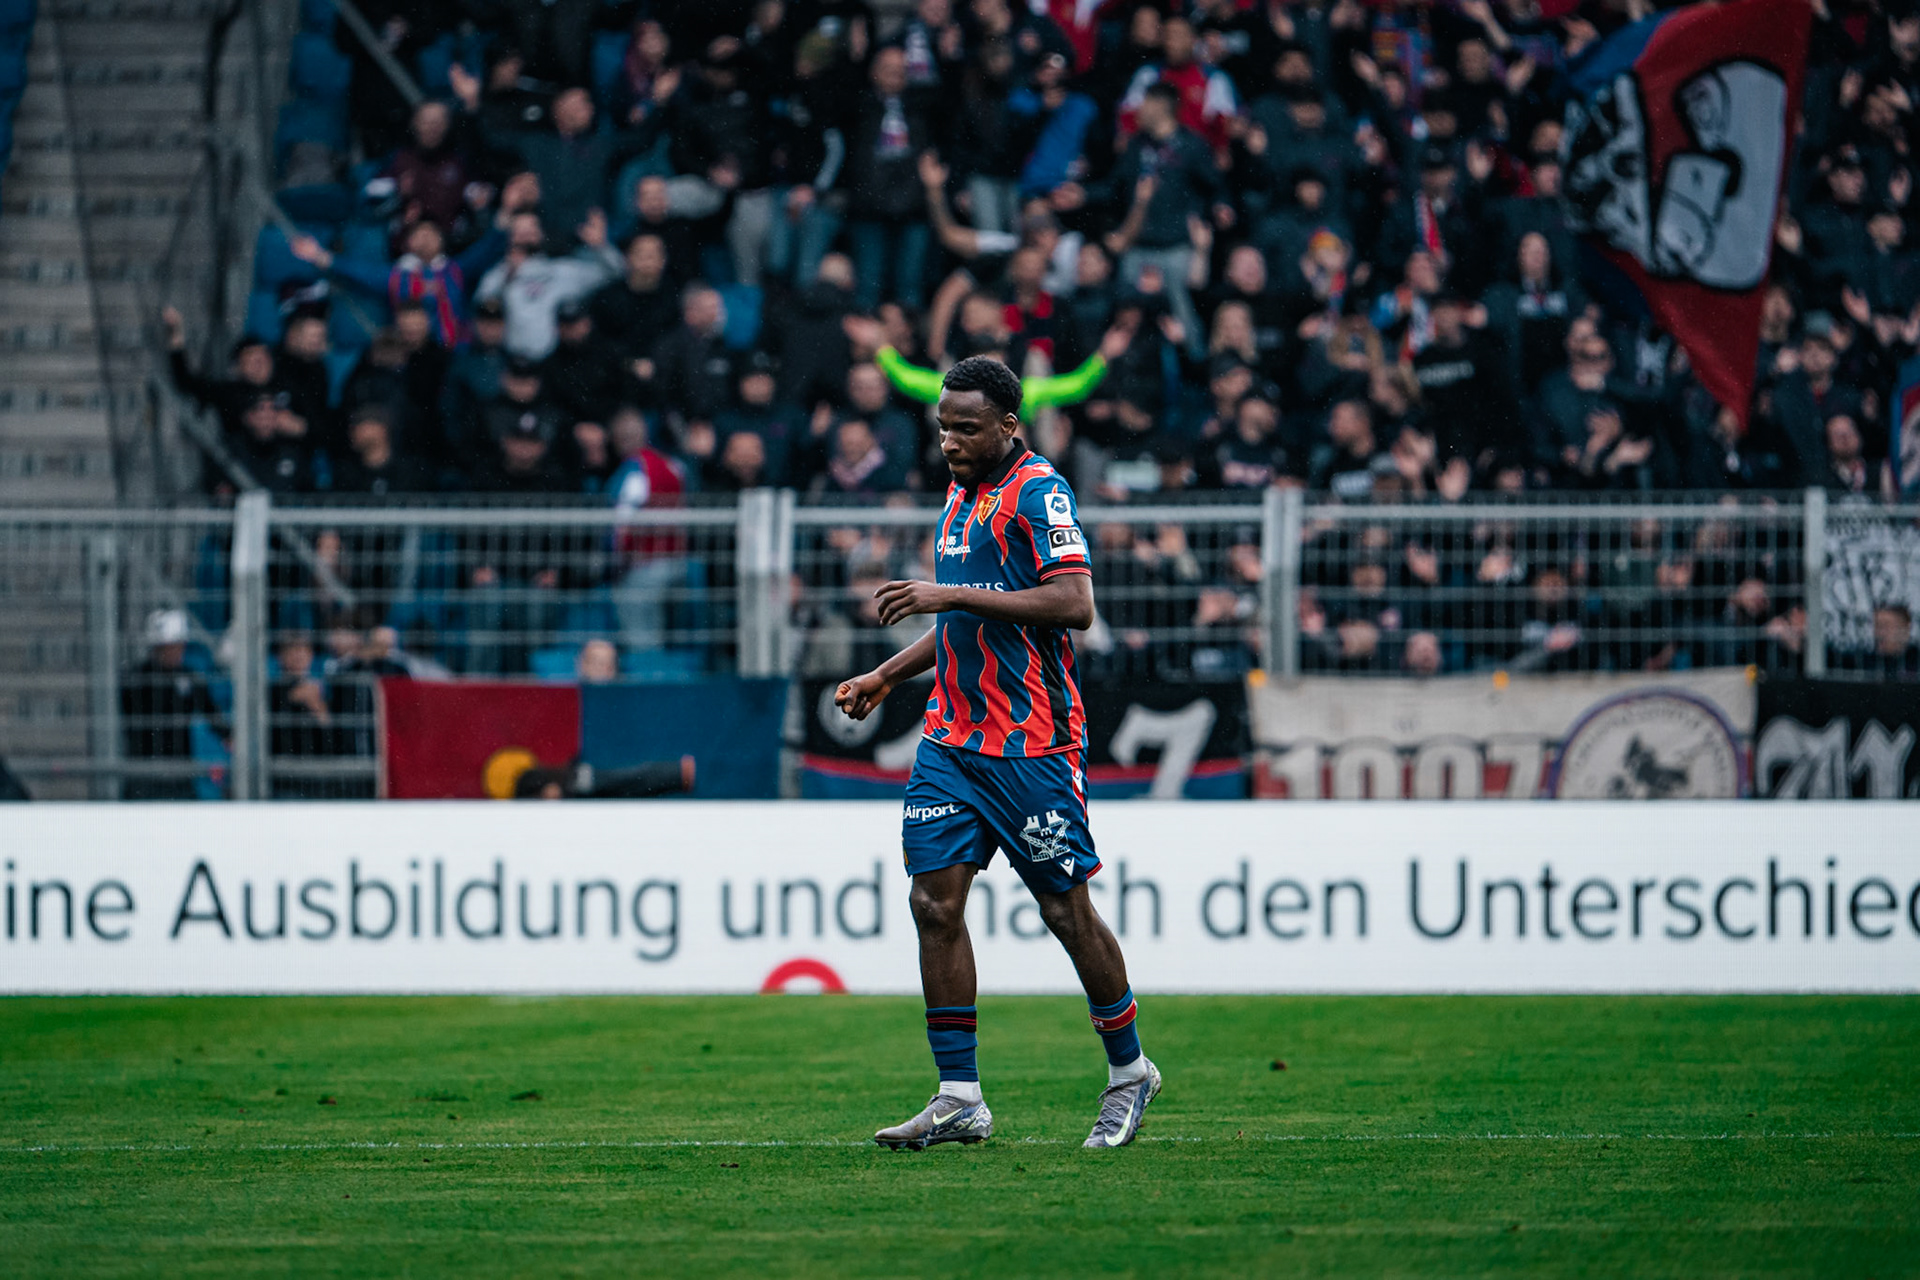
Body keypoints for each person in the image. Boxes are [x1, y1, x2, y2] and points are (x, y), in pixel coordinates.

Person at [833, 355, 1159, 1151]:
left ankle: (1129, 1072)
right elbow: (960, 627)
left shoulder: (1040, 491)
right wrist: (884, 673)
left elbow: (1074, 604)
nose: (950, 440)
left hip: (1033, 744)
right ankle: (959, 1097)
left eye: (967, 427)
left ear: (1010, 426)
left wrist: (949, 594)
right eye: (943, 426)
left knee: (1064, 911)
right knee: (932, 904)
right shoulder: (960, 493)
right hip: (952, 738)